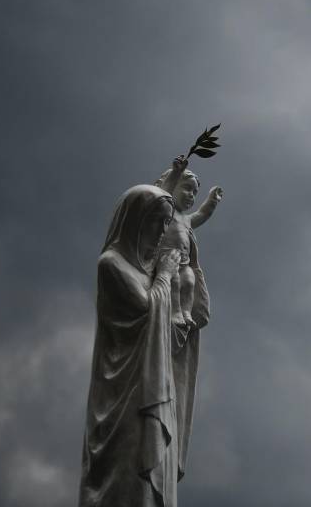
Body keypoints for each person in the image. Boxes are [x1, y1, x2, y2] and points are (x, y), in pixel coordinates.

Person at [79, 184, 183, 507]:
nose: (162, 231)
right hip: (124, 396)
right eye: (156, 221)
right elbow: (145, 307)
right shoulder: (112, 265)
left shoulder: (148, 272)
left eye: (166, 223)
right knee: (126, 476)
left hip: (152, 388)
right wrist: (165, 275)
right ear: (136, 220)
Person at [154, 155, 224, 331]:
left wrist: (212, 200)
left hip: (184, 263)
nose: (191, 196)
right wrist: (176, 173)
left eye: (194, 193)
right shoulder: (166, 212)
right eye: (187, 188)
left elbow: (202, 214)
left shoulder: (186, 220)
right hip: (167, 260)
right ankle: (175, 312)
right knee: (175, 282)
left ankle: (186, 312)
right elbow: (161, 196)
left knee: (189, 281)